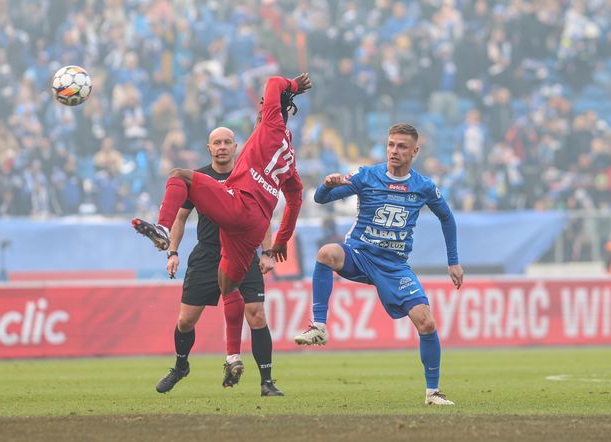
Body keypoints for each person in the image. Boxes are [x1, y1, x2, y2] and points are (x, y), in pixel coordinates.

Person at [133, 73, 311, 386]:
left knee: (179, 175)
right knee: (229, 287)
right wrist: (280, 241)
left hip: (236, 207)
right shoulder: (290, 160)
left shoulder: (269, 124)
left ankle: (159, 227)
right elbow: (295, 201)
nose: (260, 110)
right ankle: (232, 358)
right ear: (211, 147)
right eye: (218, 142)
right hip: (252, 228)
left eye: (263, 108)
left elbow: (272, 83)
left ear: (269, 113)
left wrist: (292, 86)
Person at [294, 123, 464, 406]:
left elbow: (447, 217)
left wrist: (454, 262)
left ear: (415, 151)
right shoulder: (366, 175)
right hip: (360, 254)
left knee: (427, 322)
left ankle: (432, 393)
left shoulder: (423, 186)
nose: (394, 151)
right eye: (391, 145)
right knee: (326, 253)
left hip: (394, 266)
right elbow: (321, 199)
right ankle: (319, 326)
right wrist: (327, 185)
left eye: (401, 146)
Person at [155, 127, 284, 396]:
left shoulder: (251, 177)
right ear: (209, 148)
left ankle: (267, 382)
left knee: (257, 314)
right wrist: (173, 252)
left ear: (236, 147)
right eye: (217, 143)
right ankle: (180, 366)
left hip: (243, 252)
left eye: (227, 142)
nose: (222, 147)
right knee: (186, 321)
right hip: (208, 254)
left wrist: (267, 252)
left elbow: (263, 216)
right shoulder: (198, 178)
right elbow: (180, 218)